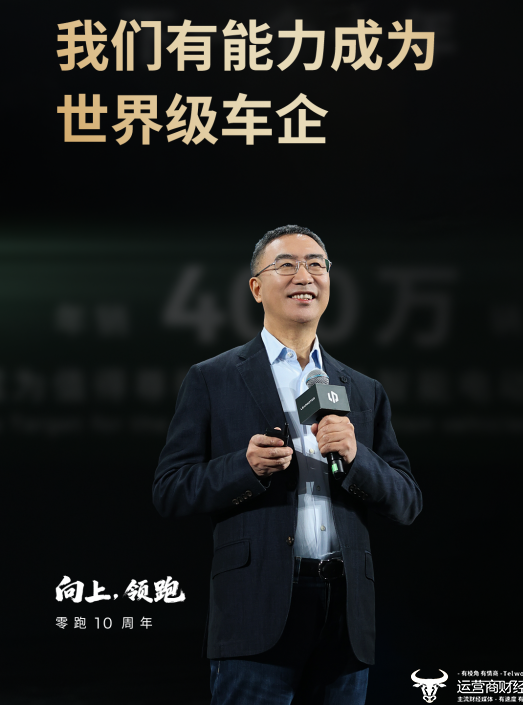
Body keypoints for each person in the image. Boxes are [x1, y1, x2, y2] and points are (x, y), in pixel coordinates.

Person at [153, 225, 422, 705]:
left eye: (317, 264)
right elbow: (170, 489)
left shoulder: (362, 389)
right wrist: (245, 467)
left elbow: (407, 501)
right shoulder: (213, 379)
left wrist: (357, 457)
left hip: (345, 616)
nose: (305, 275)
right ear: (256, 287)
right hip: (255, 606)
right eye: (287, 265)